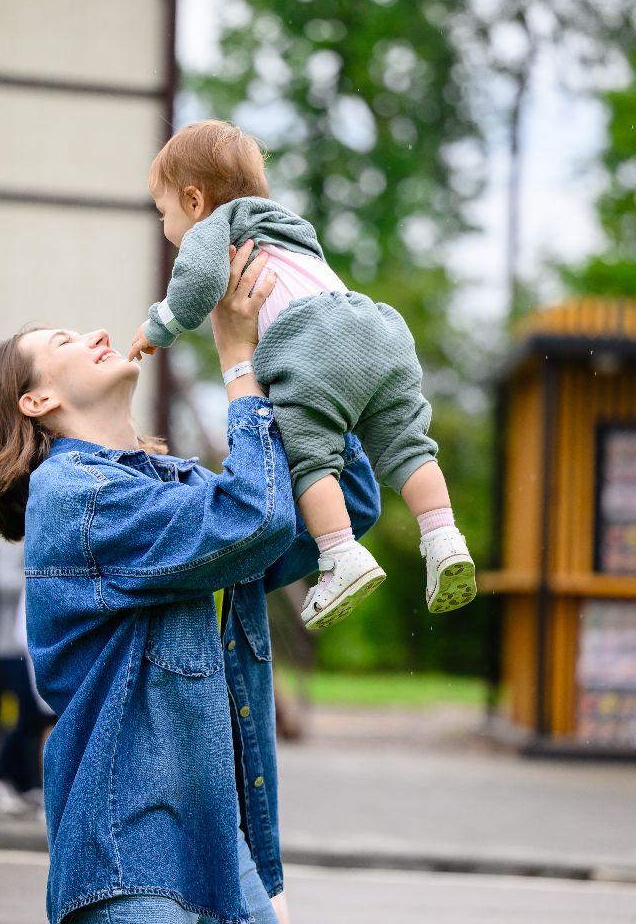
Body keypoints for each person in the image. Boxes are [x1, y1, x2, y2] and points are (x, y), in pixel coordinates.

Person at [0, 244, 380, 924]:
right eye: (65, 341)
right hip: (130, 865)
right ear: (38, 399)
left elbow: (342, 508)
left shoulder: (175, 489)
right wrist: (239, 364)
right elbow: (255, 516)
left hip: (219, 857)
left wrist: (301, 345)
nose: (97, 335)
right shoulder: (75, 497)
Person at [129, 120, 477, 630]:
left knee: (308, 459)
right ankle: (443, 537)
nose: (165, 228)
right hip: (372, 325)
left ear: (194, 199)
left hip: (311, 343)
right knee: (406, 445)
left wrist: (157, 327)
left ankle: (340, 556)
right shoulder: (286, 224)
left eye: (164, 212)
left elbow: (199, 280)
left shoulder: (213, 228)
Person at [0, 538, 51, 819]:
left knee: (34, 718)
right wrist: (44, 574)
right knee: (22, 715)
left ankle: (25, 784)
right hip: (9, 647)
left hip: (26, 648)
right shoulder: (13, 541)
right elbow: (2, 582)